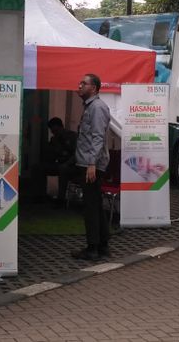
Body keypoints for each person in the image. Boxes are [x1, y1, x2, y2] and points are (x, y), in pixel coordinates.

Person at [71, 73, 111, 261]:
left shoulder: (97, 107)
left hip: (91, 164)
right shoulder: (90, 107)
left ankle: (92, 248)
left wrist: (92, 164)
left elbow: (98, 137)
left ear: (93, 88)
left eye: (83, 83)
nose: (79, 85)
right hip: (88, 163)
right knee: (95, 204)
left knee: (90, 207)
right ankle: (102, 246)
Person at [36, 117, 78, 204]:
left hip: (72, 166)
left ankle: (60, 200)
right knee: (38, 168)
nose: (54, 132)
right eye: (52, 131)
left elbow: (76, 155)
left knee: (63, 169)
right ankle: (40, 196)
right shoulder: (54, 139)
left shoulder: (72, 136)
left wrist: (67, 163)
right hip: (59, 164)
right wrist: (51, 147)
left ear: (61, 127)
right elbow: (50, 157)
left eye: (55, 130)